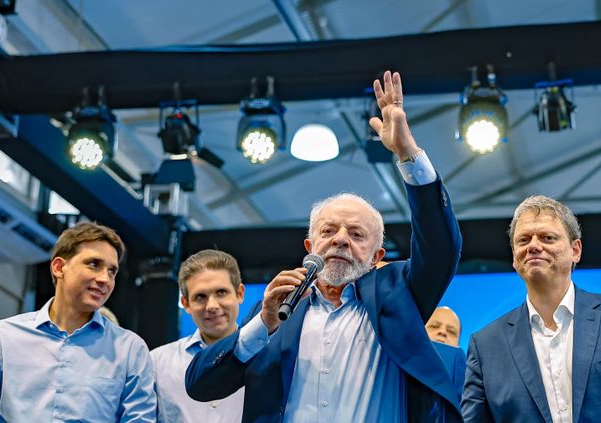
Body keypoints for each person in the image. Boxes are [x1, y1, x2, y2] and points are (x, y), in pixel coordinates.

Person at [185, 70, 463, 422]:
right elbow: (201, 385)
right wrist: (263, 324)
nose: (341, 239)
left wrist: (408, 153)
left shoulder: (398, 294)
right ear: (309, 245)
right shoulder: (278, 311)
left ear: (378, 256)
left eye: (357, 234)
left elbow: (440, 246)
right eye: (329, 230)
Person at [462, 195, 601, 422]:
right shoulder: (485, 346)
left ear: (575, 250)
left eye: (548, 237)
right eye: (523, 240)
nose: (534, 246)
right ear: (514, 257)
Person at [0, 222, 156, 422]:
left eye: (112, 271)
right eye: (94, 264)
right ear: (59, 267)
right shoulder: (2, 338)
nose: (105, 279)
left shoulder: (130, 350)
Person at [151, 249, 246, 422]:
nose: (212, 306)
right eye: (200, 297)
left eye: (221, 292)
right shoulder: (157, 362)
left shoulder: (265, 357)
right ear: (186, 304)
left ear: (239, 294)